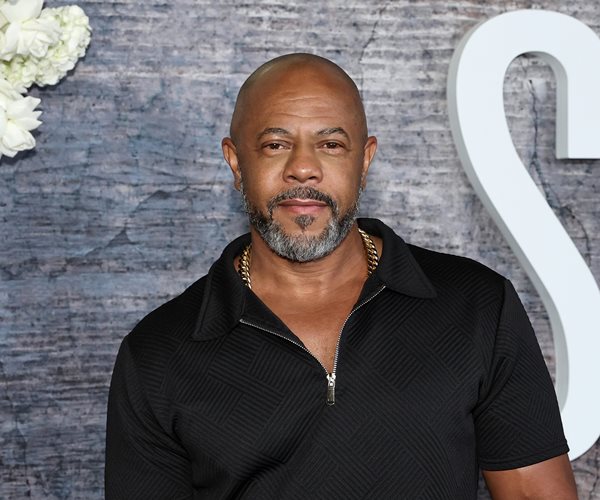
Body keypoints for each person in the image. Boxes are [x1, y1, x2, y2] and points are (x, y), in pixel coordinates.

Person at [105, 53, 578, 499]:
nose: (303, 168)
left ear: (364, 161)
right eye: (275, 144)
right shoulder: (158, 353)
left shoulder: (476, 306)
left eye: (330, 144)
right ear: (236, 162)